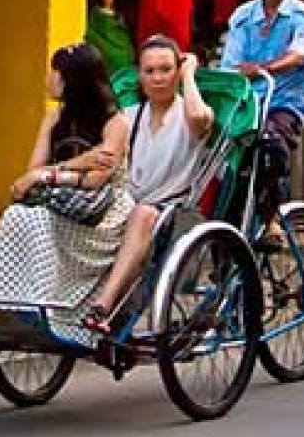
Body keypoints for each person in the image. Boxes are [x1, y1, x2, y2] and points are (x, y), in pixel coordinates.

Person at [0, 45, 134, 336]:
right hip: (61, 201)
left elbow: (95, 180)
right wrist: (79, 163)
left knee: (36, 221)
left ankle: (45, 306)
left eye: (55, 72)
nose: (49, 78)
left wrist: (52, 173)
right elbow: (33, 169)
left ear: (71, 81)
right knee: (16, 216)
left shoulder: (116, 123)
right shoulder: (53, 118)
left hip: (101, 215)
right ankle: (12, 303)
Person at [82, 37, 217, 331]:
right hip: (125, 207)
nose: (157, 78)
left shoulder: (191, 113)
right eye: (150, 71)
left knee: (142, 213)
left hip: (172, 215)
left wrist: (190, 74)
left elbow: (198, 117)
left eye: (166, 70)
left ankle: (103, 305)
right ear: (139, 76)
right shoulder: (129, 117)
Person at [218, 0, 304, 223]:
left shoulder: (303, 16)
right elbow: (230, 66)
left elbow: (301, 54)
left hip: (286, 102)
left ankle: (273, 217)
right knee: (228, 167)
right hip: (249, 104)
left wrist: (263, 68)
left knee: (271, 144)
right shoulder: (241, 17)